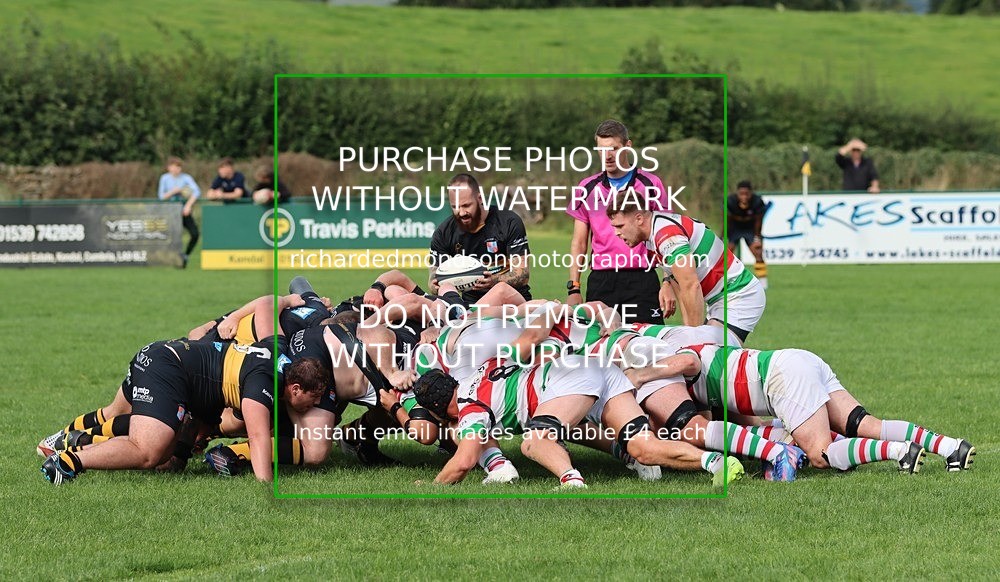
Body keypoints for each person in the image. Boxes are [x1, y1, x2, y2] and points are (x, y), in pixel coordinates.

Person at [646, 343, 976, 475]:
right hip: (796, 359)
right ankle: (951, 448)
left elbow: (687, 361)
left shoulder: (671, 358)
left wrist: (640, 372)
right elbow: (748, 422)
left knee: (821, 453)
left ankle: (900, 451)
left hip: (783, 375)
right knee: (864, 423)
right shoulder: (700, 363)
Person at [606, 190, 766, 344]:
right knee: (701, 356)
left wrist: (694, 340)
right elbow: (680, 285)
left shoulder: (668, 237)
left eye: (619, 226)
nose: (616, 233)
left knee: (709, 355)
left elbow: (691, 286)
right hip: (720, 298)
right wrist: (689, 330)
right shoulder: (652, 236)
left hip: (739, 295)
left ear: (639, 219)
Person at [566, 120, 673, 324]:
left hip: (642, 278)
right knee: (598, 348)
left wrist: (668, 280)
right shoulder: (586, 188)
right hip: (601, 281)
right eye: (601, 149)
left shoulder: (651, 184)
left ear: (627, 146)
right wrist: (574, 287)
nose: (607, 156)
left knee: (649, 348)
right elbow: (579, 242)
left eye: (613, 148)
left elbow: (666, 237)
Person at [429, 173, 531, 303]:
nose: (460, 212)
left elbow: (522, 273)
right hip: (472, 305)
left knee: (500, 290)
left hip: (512, 302)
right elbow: (433, 278)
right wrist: (439, 285)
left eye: (466, 205)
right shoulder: (443, 232)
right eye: (454, 207)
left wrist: (494, 280)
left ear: (480, 198)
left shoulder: (509, 222)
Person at [157, 157, 200, 268]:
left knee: (195, 234)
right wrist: (173, 191)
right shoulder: (164, 179)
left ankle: (186, 255)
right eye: (174, 167)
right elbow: (161, 197)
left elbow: (197, 192)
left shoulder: (186, 178)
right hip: (170, 211)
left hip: (183, 210)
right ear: (169, 168)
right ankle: (175, 259)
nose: (176, 169)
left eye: (178, 167)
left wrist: (188, 206)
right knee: (174, 236)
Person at [726, 180, 768, 289]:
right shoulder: (730, 201)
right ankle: (726, 280)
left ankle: (763, 282)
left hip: (750, 228)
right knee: (726, 255)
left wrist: (757, 237)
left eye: (746, 194)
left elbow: (759, 221)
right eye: (741, 194)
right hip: (735, 228)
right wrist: (725, 236)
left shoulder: (757, 202)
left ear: (751, 193)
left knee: (758, 253)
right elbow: (727, 220)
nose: (744, 197)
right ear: (737, 193)